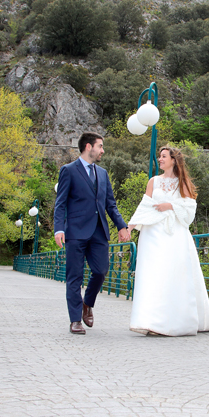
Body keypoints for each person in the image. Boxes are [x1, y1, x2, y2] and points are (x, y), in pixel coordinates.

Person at [127, 146, 209, 336]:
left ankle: (170, 321)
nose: (160, 159)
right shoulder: (153, 181)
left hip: (173, 235)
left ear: (174, 160)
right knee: (152, 276)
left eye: (163, 156)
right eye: (159, 156)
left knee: (171, 274)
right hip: (151, 235)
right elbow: (145, 206)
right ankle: (149, 320)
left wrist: (170, 206)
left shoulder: (182, 183)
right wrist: (129, 227)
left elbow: (190, 209)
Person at [54, 132, 130, 335]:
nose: (102, 150)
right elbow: (60, 203)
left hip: (98, 231)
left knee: (101, 270)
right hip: (76, 232)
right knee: (74, 277)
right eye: (100, 146)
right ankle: (75, 320)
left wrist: (121, 226)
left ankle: (87, 303)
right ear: (89, 147)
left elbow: (110, 204)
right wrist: (59, 229)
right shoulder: (68, 171)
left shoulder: (103, 173)